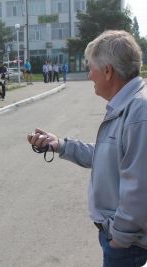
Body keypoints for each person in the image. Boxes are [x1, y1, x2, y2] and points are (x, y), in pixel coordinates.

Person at [27, 30, 147, 266]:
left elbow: (140, 190)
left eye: (90, 67)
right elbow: (108, 156)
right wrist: (60, 145)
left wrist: (119, 238)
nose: (90, 75)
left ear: (108, 71)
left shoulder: (138, 113)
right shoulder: (127, 107)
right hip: (123, 241)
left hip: (129, 246)